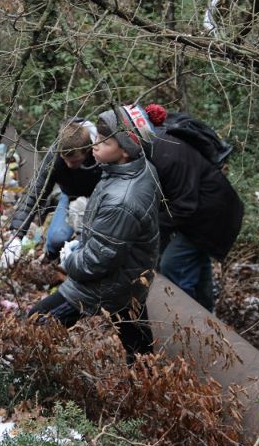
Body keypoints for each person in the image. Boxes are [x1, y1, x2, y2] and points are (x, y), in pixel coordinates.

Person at [28, 106, 159, 363]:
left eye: (105, 141)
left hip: (107, 283)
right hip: (130, 274)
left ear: (126, 149)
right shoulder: (134, 169)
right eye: (96, 137)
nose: (95, 145)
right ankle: (148, 382)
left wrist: (70, 259)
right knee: (138, 340)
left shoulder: (122, 199)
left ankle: (28, 381)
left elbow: (96, 262)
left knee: (35, 325)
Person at [150, 115, 244, 312]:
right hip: (207, 216)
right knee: (196, 265)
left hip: (210, 219)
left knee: (172, 266)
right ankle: (206, 317)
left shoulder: (168, 153)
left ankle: (188, 323)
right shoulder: (162, 146)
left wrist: (151, 224)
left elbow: (183, 206)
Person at [0, 118, 101, 266]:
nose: (68, 165)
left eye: (74, 161)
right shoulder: (55, 155)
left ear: (87, 151)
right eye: (65, 159)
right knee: (56, 239)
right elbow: (35, 192)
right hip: (70, 196)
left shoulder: (100, 153)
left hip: (98, 201)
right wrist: (16, 235)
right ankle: (51, 259)